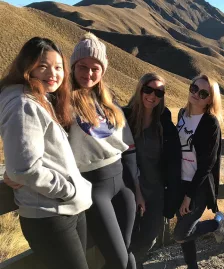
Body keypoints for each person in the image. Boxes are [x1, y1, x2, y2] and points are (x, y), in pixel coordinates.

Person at [0, 37, 92, 269]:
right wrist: (68, 190)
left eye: (58, 67)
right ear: (26, 66)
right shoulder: (24, 104)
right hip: (49, 214)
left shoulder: (37, 98)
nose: (53, 73)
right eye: (43, 66)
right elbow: (24, 168)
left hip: (60, 208)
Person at [68, 32, 144, 269]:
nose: (88, 73)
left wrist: (137, 190)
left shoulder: (108, 102)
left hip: (122, 184)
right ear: (72, 66)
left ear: (103, 72)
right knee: (120, 261)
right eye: (82, 66)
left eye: (95, 68)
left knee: (127, 255)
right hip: (93, 187)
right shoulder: (62, 102)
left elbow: (128, 149)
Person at [123, 73, 181, 268]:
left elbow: (174, 158)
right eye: (148, 89)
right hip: (130, 188)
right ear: (140, 89)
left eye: (159, 92)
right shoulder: (126, 117)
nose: (152, 95)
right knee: (126, 238)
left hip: (156, 191)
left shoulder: (164, 121)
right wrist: (137, 192)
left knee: (150, 238)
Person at [174, 74, 224, 269]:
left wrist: (189, 195)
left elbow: (207, 163)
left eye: (203, 93)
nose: (196, 94)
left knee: (181, 233)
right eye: (194, 88)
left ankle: (217, 224)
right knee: (186, 229)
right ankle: (192, 266)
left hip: (198, 186)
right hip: (180, 181)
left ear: (210, 100)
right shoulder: (182, 114)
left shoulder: (210, 123)